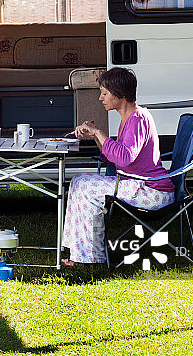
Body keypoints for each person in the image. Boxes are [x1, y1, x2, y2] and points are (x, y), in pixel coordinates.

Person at [62, 67, 175, 266]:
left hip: (151, 191)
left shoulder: (138, 119)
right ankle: (77, 252)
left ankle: (90, 256)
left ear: (120, 94)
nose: (100, 98)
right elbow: (113, 157)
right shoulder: (129, 118)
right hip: (137, 185)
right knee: (78, 181)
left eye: (104, 93)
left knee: (85, 187)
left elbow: (124, 158)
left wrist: (99, 133)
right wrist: (95, 135)